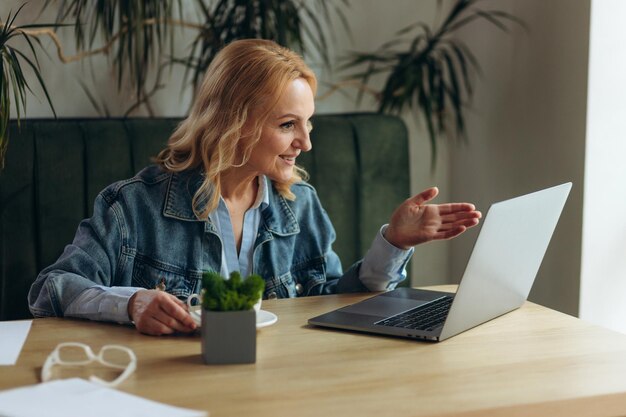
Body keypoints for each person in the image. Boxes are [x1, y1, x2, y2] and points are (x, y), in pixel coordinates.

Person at [28, 39, 481, 336]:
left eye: (308, 125)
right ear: (234, 124)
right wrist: (132, 304)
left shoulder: (301, 206)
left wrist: (394, 242)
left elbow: (332, 303)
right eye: (288, 125)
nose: (305, 143)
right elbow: (52, 288)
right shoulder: (131, 206)